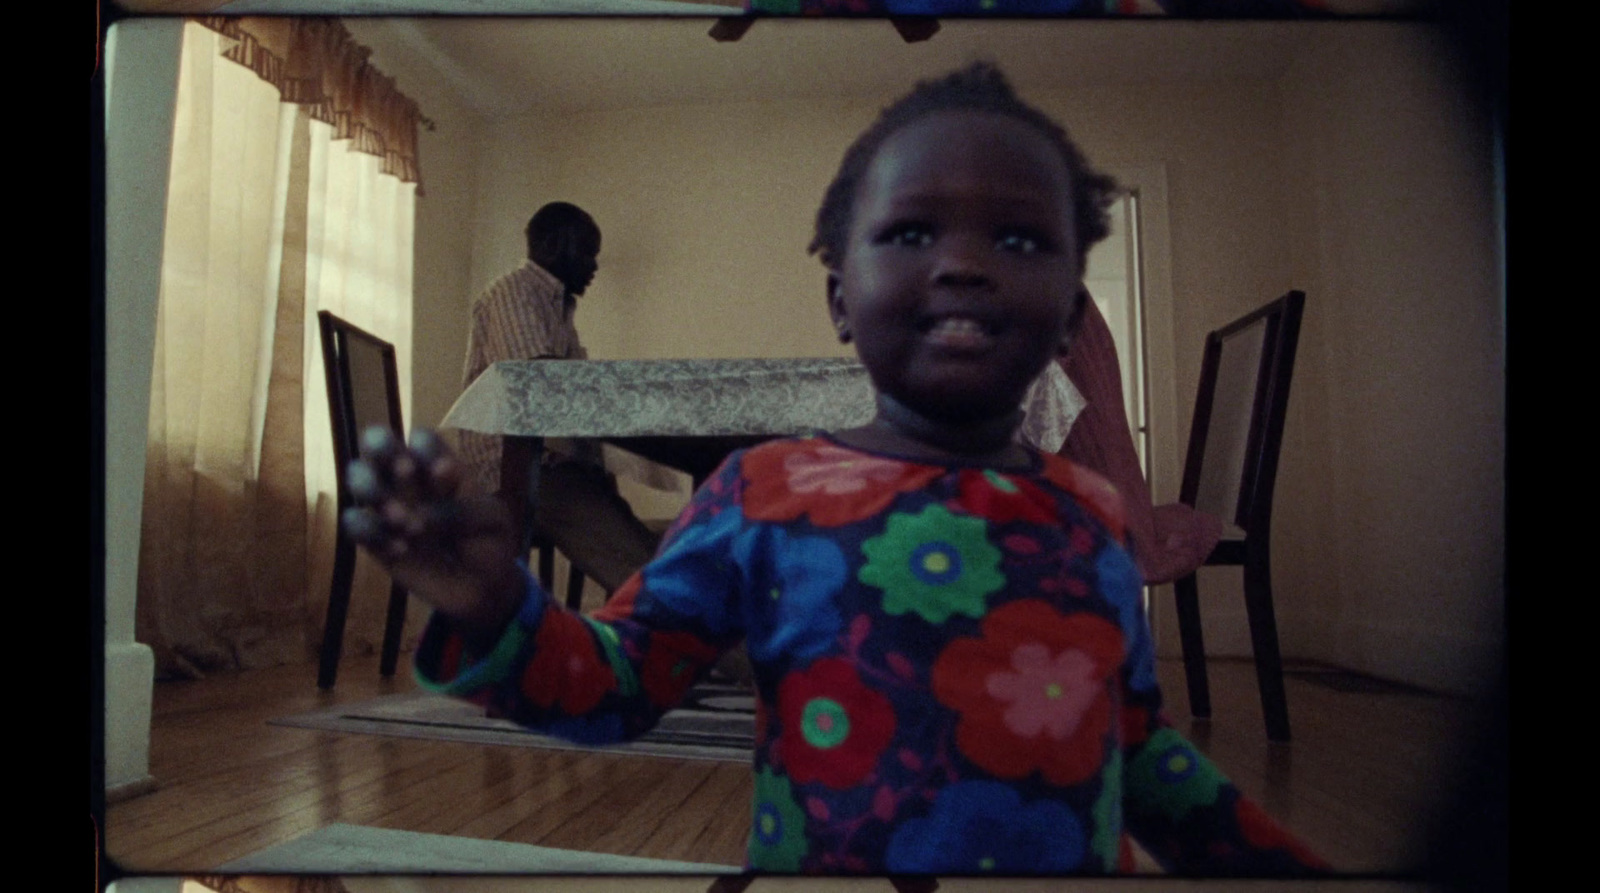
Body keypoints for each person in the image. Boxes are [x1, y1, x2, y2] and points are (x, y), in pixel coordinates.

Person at [345, 63, 1324, 875]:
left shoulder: (1089, 519)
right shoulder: (756, 494)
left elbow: (1143, 752)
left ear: (1072, 317)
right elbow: (615, 681)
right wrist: (494, 609)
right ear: (840, 302)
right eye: (910, 232)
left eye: (1018, 237)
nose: (963, 262)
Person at [456, 202, 661, 595]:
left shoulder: (558, 307)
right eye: (587, 253)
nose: (595, 266)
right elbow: (541, 384)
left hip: (547, 463)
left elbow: (570, 388)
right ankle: (702, 632)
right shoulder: (514, 291)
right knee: (637, 559)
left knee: (639, 542)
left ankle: (669, 620)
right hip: (510, 470)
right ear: (551, 246)